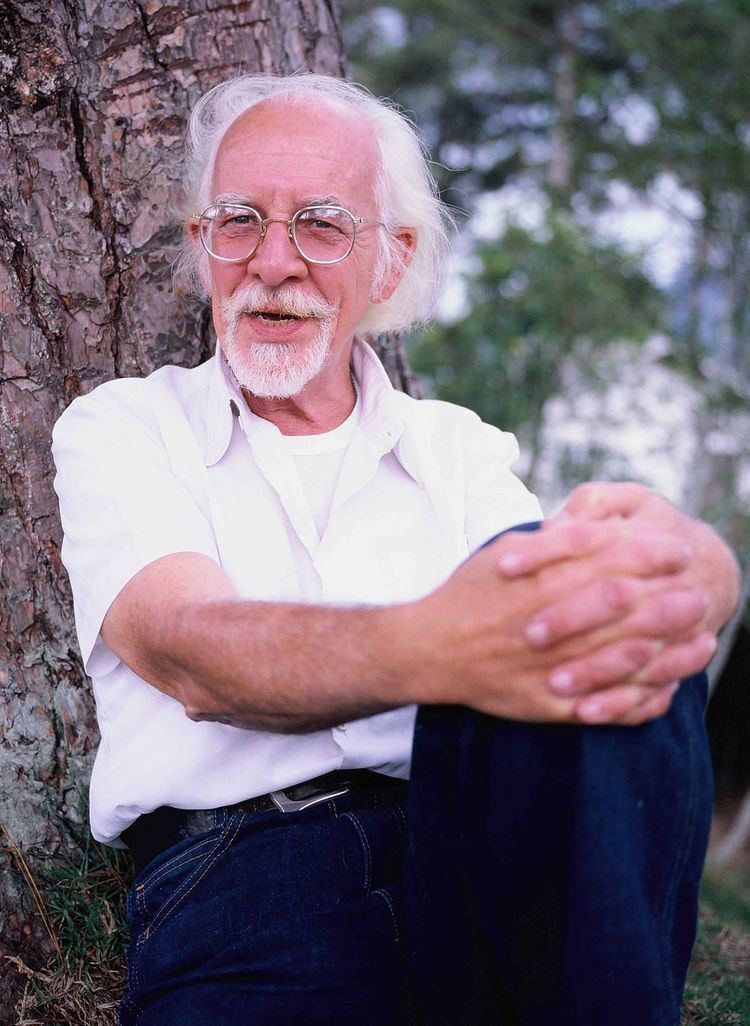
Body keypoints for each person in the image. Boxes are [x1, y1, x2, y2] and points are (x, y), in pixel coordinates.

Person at [51, 74, 739, 1026]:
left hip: (470, 854)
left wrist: (701, 570)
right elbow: (189, 650)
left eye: (321, 225)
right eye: (239, 220)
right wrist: (452, 647)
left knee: (605, 623)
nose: (273, 262)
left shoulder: (458, 450)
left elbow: (573, 617)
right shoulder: (126, 428)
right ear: (204, 243)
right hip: (243, 881)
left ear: (392, 257)